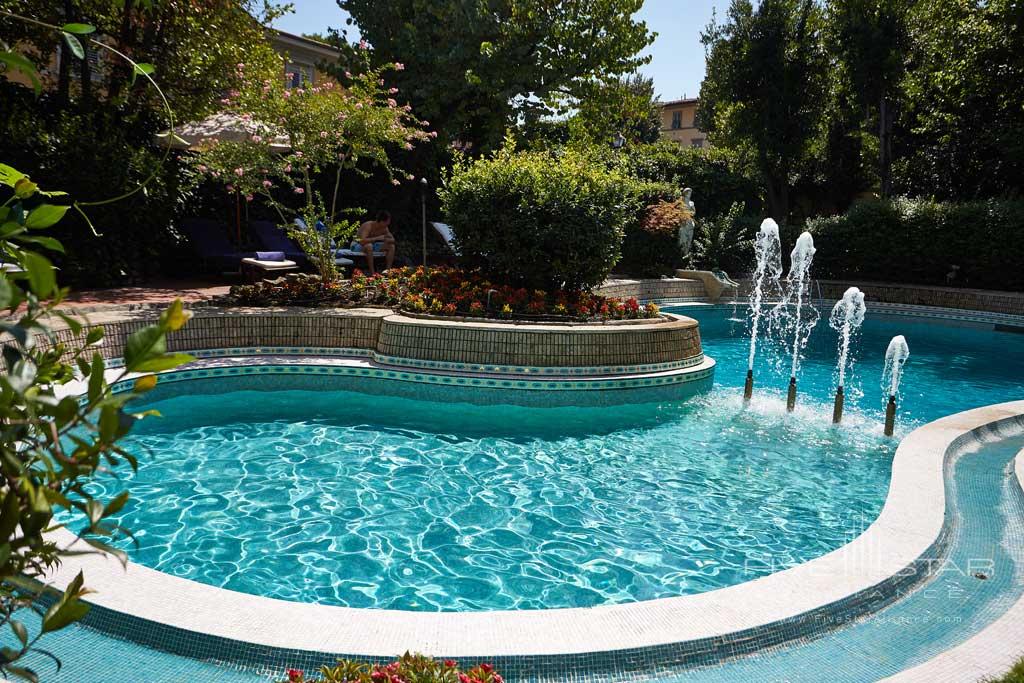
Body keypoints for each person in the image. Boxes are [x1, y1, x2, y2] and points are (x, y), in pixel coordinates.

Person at [356, 210, 396, 274]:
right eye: (387, 222)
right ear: (382, 221)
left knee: (391, 246)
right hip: (357, 245)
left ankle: (388, 271)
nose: (388, 223)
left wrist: (387, 240)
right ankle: (372, 273)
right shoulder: (368, 225)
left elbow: (393, 240)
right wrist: (377, 238)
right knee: (369, 246)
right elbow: (361, 241)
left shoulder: (384, 228)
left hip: (372, 245)